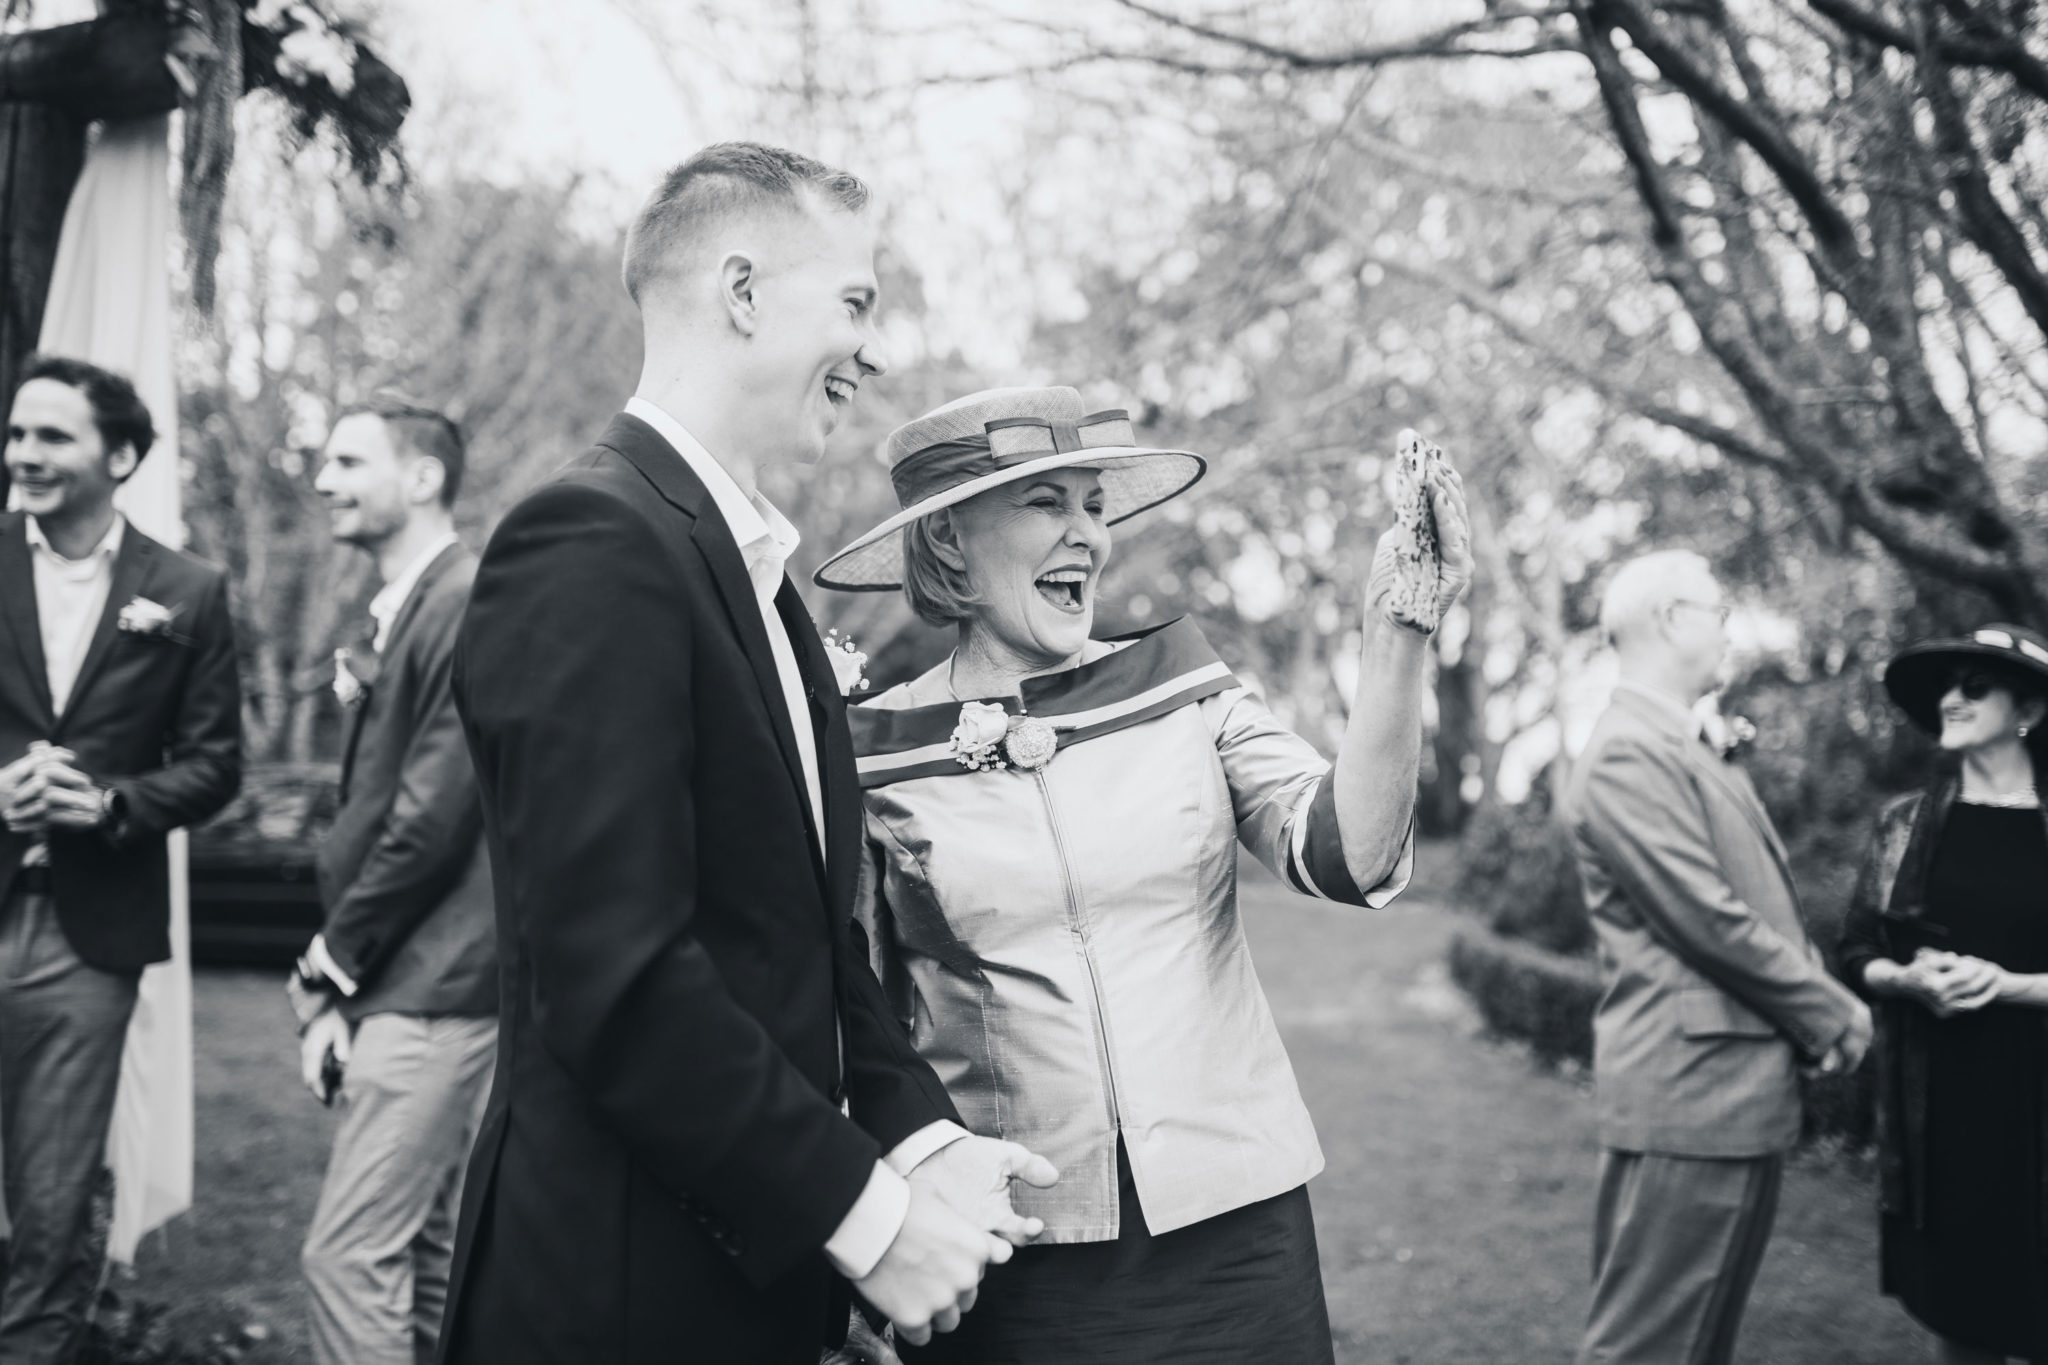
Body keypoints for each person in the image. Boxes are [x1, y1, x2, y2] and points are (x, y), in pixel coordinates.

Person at [439, 144, 1056, 1365]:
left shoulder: (754, 583)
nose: (872, 349)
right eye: (855, 303)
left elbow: (802, 951)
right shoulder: (589, 542)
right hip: (614, 1293)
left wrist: (924, 1143)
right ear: (739, 292)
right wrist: (870, 1222)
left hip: (740, 1278)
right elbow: (614, 981)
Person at [813, 385, 1472, 1363]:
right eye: (1045, 503)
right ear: (948, 540)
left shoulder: (1182, 690)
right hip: (1008, 1246)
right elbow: (839, 1017)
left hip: (1238, 1229)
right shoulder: (863, 755)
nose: (1086, 533)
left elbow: (1348, 855)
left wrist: (1397, 630)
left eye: (1092, 503)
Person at [1563, 549, 1873, 1365]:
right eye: (1718, 609)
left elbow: (1753, 898)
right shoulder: (1631, 750)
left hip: (1726, 1094)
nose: (1730, 625)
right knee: (1650, 1349)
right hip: (1692, 1098)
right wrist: (1830, 1010)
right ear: (1670, 619)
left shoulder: (1683, 743)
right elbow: (1709, 918)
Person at [0, 354, 241, 1362]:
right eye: (17, 434)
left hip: (89, 942)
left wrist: (109, 803)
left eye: (52, 436)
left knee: (51, 1206)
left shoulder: (187, 591)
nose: (24, 454)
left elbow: (217, 766)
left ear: (123, 454)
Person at [287, 397, 497, 1365]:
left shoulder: (458, 599)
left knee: (349, 1256)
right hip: (420, 978)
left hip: (437, 980)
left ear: (420, 478)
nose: (323, 480)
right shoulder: (414, 603)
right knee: (425, 1249)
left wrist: (333, 960)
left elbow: (431, 816)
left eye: (345, 462)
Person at [1839, 623, 2048, 1365]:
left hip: (2040, 1110)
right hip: (1949, 1121)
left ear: (2029, 708)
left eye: (1976, 685)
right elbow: (1856, 952)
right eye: (1947, 687)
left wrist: (2010, 985)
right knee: (1963, 1325)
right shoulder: (1905, 825)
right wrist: (1908, 979)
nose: (1952, 698)